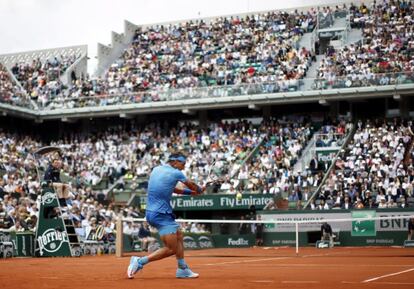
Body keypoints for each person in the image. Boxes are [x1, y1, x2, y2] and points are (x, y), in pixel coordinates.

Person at [127, 152, 205, 279]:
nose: (184, 167)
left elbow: (172, 189)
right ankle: (139, 262)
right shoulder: (176, 173)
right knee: (171, 249)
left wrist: (191, 193)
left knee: (179, 234)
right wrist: (199, 190)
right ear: (174, 161)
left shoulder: (157, 169)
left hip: (152, 213)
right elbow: (192, 185)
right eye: (183, 164)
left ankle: (182, 269)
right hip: (161, 214)